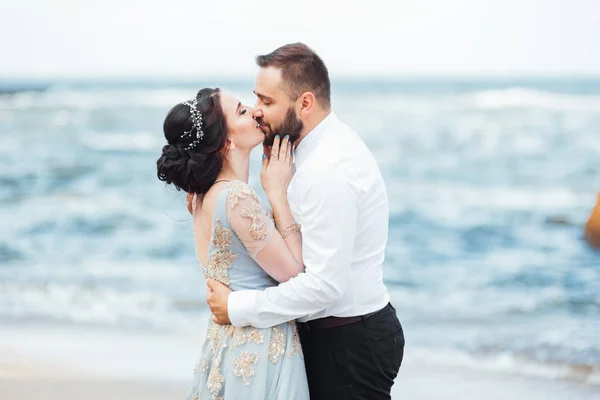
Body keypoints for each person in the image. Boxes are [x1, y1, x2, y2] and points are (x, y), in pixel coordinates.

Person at [206, 43, 404, 400]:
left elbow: (325, 286)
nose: (256, 112)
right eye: (256, 99)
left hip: (348, 343)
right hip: (339, 335)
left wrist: (238, 307)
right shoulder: (305, 152)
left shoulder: (327, 169)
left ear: (306, 103)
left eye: (267, 102)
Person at [157, 88, 309, 399]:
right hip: (261, 349)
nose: (255, 111)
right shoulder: (236, 196)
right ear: (226, 141)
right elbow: (294, 274)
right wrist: (278, 194)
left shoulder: (199, 197)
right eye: (241, 111)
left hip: (225, 343)